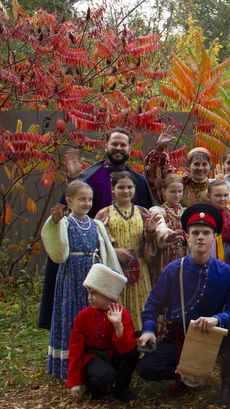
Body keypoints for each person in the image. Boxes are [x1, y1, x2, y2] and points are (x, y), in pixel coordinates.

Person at [40, 127, 154, 331]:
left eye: (123, 144)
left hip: (133, 259)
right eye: (114, 144)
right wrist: (73, 179)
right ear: (105, 145)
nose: (118, 148)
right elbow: (69, 212)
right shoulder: (88, 176)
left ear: (129, 148)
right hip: (95, 254)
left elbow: (147, 224)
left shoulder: (138, 181)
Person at [136, 203, 230, 407]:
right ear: (187, 237)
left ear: (214, 237)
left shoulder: (226, 272)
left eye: (206, 233)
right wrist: (149, 330)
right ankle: (186, 373)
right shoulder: (173, 270)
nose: (200, 237)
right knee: (146, 368)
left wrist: (217, 319)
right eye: (195, 233)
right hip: (183, 337)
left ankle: (228, 386)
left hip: (213, 335)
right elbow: (152, 306)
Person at [41, 181, 121, 380]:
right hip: (73, 274)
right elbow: (54, 240)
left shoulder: (96, 224)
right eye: (81, 199)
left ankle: (94, 360)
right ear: (69, 201)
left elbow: (105, 250)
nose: (87, 203)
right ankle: (69, 366)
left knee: (93, 314)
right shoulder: (65, 223)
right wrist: (54, 221)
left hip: (93, 273)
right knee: (72, 314)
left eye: (89, 199)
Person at [66, 264, 139, 402]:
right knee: (105, 375)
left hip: (113, 354)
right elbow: (75, 348)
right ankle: (93, 387)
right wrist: (75, 381)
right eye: (89, 293)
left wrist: (118, 326)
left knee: (133, 351)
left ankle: (121, 389)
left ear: (108, 294)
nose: (89, 298)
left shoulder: (122, 314)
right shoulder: (84, 316)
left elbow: (126, 349)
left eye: (94, 293)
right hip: (93, 356)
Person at [96, 171, 156, 331]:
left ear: (135, 188)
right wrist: (114, 251)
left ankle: (140, 341)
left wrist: (150, 232)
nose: (126, 191)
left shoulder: (143, 213)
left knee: (140, 307)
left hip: (139, 269)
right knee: (116, 306)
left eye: (129, 187)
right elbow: (97, 240)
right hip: (114, 269)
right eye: (121, 187)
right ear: (112, 189)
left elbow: (151, 243)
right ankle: (118, 340)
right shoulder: (104, 214)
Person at [144, 136, 213, 207]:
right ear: (189, 166)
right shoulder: (180, 182)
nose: (200, 168)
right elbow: (156, 175)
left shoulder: (214, 187)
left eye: (204, 164)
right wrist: (159, 149)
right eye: (196, 164)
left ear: (209, 167)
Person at [147, 173, 187, 286]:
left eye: (180, 191)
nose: (177, 195)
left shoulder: (185, 211)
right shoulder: (158, 211)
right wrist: (166, 236)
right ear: (164, 191)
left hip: (183, 254)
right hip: (165, 254)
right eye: (172, 192)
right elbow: (160, 227)